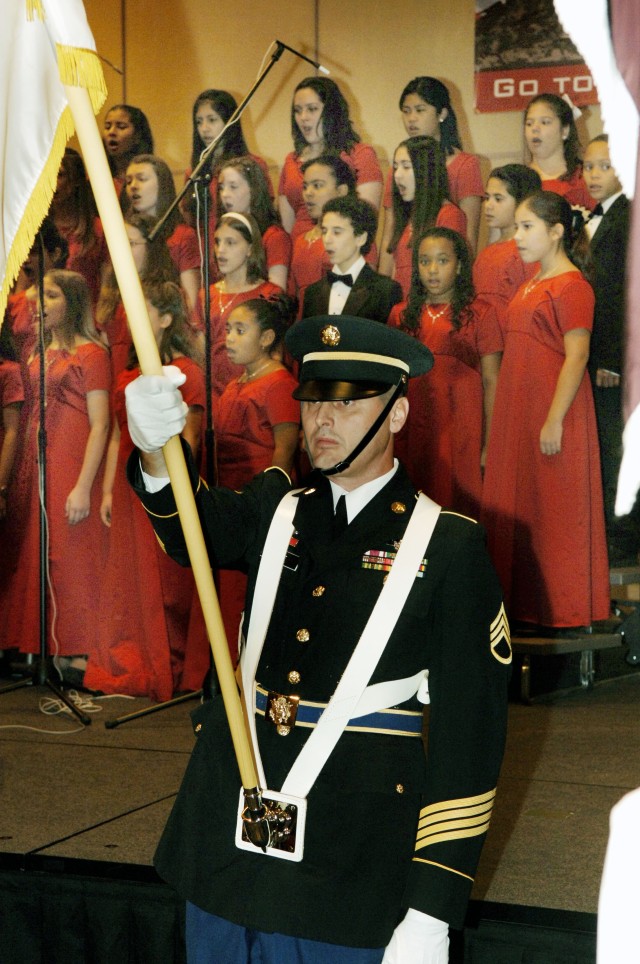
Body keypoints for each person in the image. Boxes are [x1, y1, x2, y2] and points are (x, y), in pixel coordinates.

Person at [125, 313, 511, 963]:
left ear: (396, 414)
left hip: (347, 877)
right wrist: (154, 449)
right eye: (312, 403)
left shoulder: (448, 548)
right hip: (225, 860)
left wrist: (430, 912)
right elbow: (187, 525)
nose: (320, 423)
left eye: (348, 404)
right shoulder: (276, 510)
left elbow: (467, 748)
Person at [482, 190, 610, 632]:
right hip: (520, 409)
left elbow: (577, 356)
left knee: (552, 510)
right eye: (517, 226)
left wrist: (554, 417)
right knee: (523, 505)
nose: (516, 236)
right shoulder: (533, 282)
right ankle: (519, 609)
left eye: (527, 227)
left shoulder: (572, 285)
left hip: (554, 412)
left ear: (556, 232)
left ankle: (558, 611)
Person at [86, 281, 205, 698]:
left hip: (165, 482)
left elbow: (191, 435)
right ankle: (131, 659)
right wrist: (105, 492)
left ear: (166, 318)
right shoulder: (126, 374)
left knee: (166, 576)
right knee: (128, 577)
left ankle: (164, 663)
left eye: (143, 310)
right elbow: (119, 435)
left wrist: (176, 487)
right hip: (127, 482)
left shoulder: (186, 371)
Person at [0, 271, 110, 681]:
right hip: (37, 455)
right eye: (39, 295)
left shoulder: (93, 354)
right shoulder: (36, 352)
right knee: (38, 548)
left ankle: (78, 649)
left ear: (74, 302)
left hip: (72, 455)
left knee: (70, 550)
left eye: (51, 295)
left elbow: (101, 423)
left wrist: (84, 485)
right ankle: (44, 646)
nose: (39, 303)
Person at [390, 227, 502, 518]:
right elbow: (393, 382)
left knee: (457, 504)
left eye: (442, 261)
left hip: (462, 427)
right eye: (425, 261)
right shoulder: (401, 314)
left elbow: (492, 382)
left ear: (460, 265)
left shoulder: (481, 313)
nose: (432, 270)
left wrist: (491, 442)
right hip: (414, 426)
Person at [213, 295, 299, 657]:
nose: (229, 338)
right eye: (228, 330)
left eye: (239, 330)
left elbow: (285, 448)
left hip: (258, 499)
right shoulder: (236, 383)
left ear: (266, 339)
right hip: (228, 492)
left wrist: (269, 503)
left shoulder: (278, 382)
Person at [582, 135, 640, 565]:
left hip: (613, 362)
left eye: (604, 165)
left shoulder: (629, 216)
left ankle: (622, 538)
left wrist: (613, 361)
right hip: (596, 357)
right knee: (604, 448)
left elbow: (626, 297)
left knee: (617, 448)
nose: (594, 174)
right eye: (588, 166)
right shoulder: (596, 217)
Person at [381, 77, 484, 256]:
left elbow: (468, 238)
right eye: (406, 111)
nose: (411, 119)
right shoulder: (397, 171)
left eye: (420, 110)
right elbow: (390, 235)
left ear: (442, 114)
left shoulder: (464, 165)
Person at [278, 76, 383, 240]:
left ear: (332, 112)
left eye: (312, 109)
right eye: (297, 110)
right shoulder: (291, 160)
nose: (303, 117)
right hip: (299, 251)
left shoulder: (360, 154)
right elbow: (285, 228)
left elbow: (365, 220)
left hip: (343, 251)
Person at [198, 212, 281, 402]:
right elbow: (200, 354)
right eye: (218, 242)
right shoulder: (207, 295)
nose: (220, 250)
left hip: (255, 394)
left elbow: (276, 356)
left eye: (231, 243)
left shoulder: (268, 294)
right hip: (215, 396)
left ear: (250, 248)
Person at [183, 89, 272, 249]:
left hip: (241, 248)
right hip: (204, 252)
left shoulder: (252, 164)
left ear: (230, 122)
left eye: (212, 120)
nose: (204, 128)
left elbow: (264, 215)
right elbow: (190, 220)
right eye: (199, 122)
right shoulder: (194, 172)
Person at [96, 213, 180, 382]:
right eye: (119, 243)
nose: (122, 250)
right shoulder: (112, 291)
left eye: (131, 243)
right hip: (117, 379)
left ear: (151, 247)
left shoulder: (163, 293)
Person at [381, 136, 466, 297]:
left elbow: (448, 278)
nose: (397, 175)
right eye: (396, 167)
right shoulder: (408, 216)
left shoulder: (449, 215)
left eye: (406, 167)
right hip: (401, 309)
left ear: (427, 171)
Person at [302, 194, 403, 322]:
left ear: (361, 238)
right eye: (324, 231)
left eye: (337, 232)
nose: (327, 239)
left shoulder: (385, 291)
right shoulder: (312, 293)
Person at [123, 154, 201, 312]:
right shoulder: (124, 233)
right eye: (129, 181)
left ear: (162, 184)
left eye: (142, 179)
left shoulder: (182, 236)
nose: (133, 186)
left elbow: (191, 302)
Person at [473, 164, 541, 334]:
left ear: (523, 202)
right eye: (487, 197)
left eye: (498, 198)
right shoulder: (486, 253)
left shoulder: (527, 252)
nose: (488, 205)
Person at [287, 155, 358, 310]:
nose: (308, 193)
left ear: (341, 191)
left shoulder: (355, 239)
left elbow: (362, 294)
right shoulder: (300, 240)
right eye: (305, 187)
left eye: (317, 186)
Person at [218, 156, 291, 290]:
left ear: (253, 190)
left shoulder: (274, 237)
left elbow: (276, 294)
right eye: (221, 188)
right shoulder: (224, 231)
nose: (224, 194)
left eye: (233, 187)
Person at [50, 148, 110, 307]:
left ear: (76, 180)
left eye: (59, 175)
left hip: (85, 315)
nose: (50, 181)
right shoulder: (35, 228)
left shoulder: (98, 229)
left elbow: (106, 285)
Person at [523, 93, 593, 209]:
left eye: (545, 122)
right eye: (529, 123)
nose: (535, 128)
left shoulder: (585, 179)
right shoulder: (517, 181)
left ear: (565, 130)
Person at [102, 104, 154, 196]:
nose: (111, 132)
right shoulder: (94, 180)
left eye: (121, 126)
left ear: (137, 136)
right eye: (107, 127)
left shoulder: (153, 179)